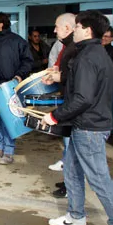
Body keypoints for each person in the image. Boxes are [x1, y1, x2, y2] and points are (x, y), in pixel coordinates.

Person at [42, 10, 113, 225]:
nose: (75, 30)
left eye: (78, 27)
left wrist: (54, 116)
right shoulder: (95, 54)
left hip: (89, 126)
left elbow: (82, 98)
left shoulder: (87, 57)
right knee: (71, 170)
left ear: (87, 30)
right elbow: (83, 86)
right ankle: (76, 216)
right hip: (85, 124)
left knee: (99, 178)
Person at [0, 12, 33, 165]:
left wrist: (19, 75)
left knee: (8, 118)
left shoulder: (18, 41)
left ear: (1, 24)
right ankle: (0, 147)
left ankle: (9, 151)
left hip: (10, 85)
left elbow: (28, 61)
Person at [43, 13, 77, 200]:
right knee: (69, 147)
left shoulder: (77, 49)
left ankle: (71, 187)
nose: (54, 30)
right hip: (69, 102)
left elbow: (76, 79)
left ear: (68, 28)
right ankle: (68, 182)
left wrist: (59, 77)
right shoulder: (66, 47)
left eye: (57, 26)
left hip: (77, 109)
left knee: (95, 172)